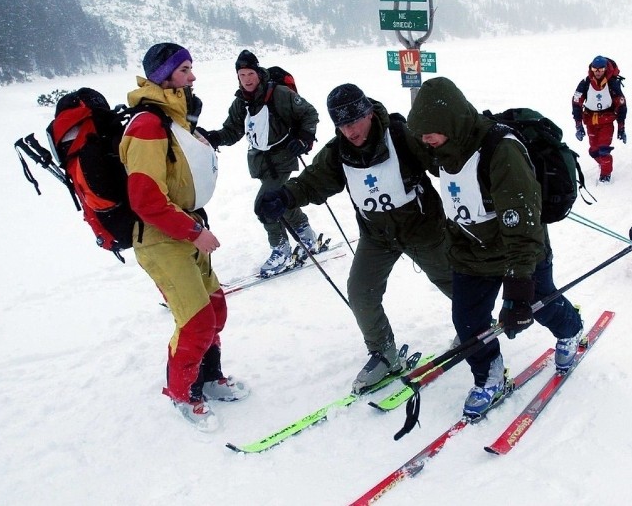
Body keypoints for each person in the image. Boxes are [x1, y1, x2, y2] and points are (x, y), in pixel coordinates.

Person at [254, 84, 453, 392]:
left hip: (423, 229)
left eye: (353, 122)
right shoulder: (339, 151)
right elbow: (312, 182)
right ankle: (384, 352)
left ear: (369, 114)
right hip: (377, 236)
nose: (349, 131)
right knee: (360, 292)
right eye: (342, 125)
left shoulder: (400, 135)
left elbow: (443, 160)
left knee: (454, 281)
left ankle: (474, 326)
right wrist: (283, 197)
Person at [406, 77, 583, 418]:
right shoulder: (442, 148)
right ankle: (489, 376)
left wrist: (518, 288)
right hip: (471, 252)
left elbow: (524, 225)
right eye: (422, 135)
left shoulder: (501, 151)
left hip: (520, 247)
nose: (426, 141)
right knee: (468, 321)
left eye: (431, 133)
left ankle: (570, 330)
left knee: (538, 301)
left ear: (451, 123)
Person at [120, 43, 249, 432]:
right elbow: (145, 197)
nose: (192, 77)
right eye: (184, 70)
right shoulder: (146, 125)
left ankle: (210, 378)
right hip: (162, 240)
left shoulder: (174, 120)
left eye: (190, 69)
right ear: (163, 76)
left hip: (185, 231)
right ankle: (183, 392)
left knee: (215, 309)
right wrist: (194, 232)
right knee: (194, 321)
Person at [198, 49, 320, 275]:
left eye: (250, 74)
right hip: (261, 163)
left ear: (258, 73)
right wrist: (214, 137)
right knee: (280, 202)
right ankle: (307, 236)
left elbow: (310, 113)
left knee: (265, 205)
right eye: (242, 75)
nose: (247, 79)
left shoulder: (280, 94)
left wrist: (304, 138)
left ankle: (280, 250)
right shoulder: (241, 103)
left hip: (283, 158)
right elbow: (232, 131)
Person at [571, 55, 628, 183]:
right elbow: (576, 103)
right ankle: (603, 164)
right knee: (594, 151)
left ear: (605, 69)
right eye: (595, 69)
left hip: (607, 121)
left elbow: (621, 105)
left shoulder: (612, 84)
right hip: (590, 121)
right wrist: (578, 125)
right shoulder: (585, 83)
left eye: (601, 69)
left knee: (604, 149)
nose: (597, 72)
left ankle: (605, 175)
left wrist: (621, 128)